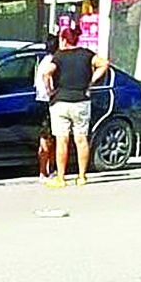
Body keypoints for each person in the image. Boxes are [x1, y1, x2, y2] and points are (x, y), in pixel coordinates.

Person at [42, 26, 110, 188]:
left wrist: (50, 90)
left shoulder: (59, 56)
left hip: (60, 102)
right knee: (81, 139)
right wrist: (91, 81)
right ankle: (81, 176)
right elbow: (104, 64)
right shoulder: (86, 54)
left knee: (62, 140)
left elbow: (47, 73)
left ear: (63, 40)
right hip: (81, 100)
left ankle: (61, 177)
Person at [35, 33, 58, 181]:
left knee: (47, 138)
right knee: (48, 138)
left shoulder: (43, 60)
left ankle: (48, 169)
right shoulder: (52, 62)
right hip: (48, 102)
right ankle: (45, 170)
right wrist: (52, 91)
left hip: (41, 101)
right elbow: (46, 78)